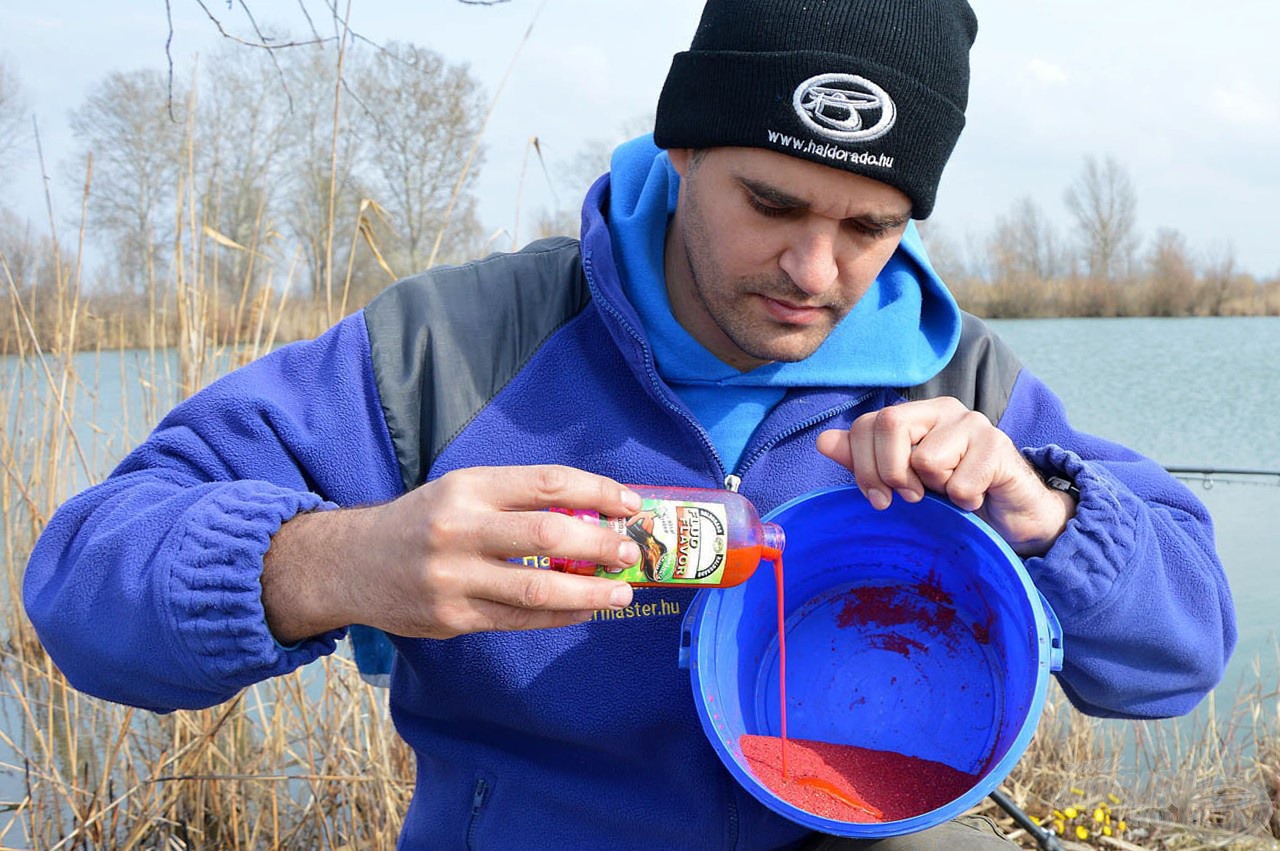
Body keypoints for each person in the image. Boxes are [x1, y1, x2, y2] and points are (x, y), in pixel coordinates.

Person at [23, 0, 1235, 848]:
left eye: (868, 228)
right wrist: (338, 559)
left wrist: (1046, 513)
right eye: (770, 201)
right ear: (683, 144)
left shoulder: (955, 377)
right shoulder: (455, 346)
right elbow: (84, 578)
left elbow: (1178, 656)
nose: (813, 268)